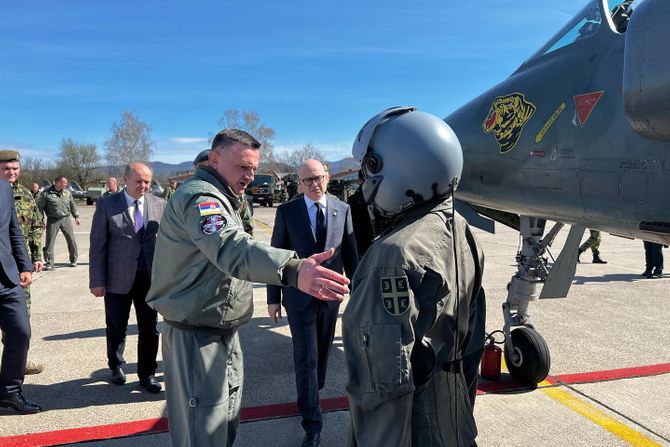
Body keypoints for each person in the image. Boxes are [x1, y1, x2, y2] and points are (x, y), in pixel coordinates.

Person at [146, 129, 350, 447]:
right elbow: (232, 247)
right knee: (204, 434)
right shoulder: (200, 198)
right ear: (214, 159)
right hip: (197, 337)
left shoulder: (228, 198)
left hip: (220, 330)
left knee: (223, 426)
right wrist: (293, 269)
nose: (250, 177)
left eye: (254, 169)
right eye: (243, 167)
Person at [343, 107, 486, 446]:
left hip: (413, 427)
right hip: (455, 420)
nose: (364, 184)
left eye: (369, 169)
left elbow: (381, 384)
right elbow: (472, 345)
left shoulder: (392, 254)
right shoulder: (460, 231)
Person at [267, 159, 358, 447]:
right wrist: (273, 298)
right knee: (305, 358)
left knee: (322, 354)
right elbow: (276, 257)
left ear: (327, 177)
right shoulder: (287, 212)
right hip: (299, 298)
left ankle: (312, 391)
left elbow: (351, 255)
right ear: (299, 183)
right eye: (307, 180)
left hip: (331, 299)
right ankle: (312, 423)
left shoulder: (343, 210)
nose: (313, 184)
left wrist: (359, 291)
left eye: (317, 178)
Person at [89, 162, 166, 393]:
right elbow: (98, 245)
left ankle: (147, 374)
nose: (143, 186)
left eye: (147, 182)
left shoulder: (159, 204)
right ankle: (116, 365)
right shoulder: (107, 205)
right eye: (138, 181)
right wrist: (97, 280)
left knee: (149, 328)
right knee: (116, 327)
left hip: (149, 278)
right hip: (116, 279)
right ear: (125, 180)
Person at [0, 150, 45, 375]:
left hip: (19, 264)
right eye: (6, 168)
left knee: (20, 318)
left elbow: (36, 225)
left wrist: (35, 256)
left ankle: (16, 361)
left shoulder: (26, 194)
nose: (11, 172)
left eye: (15, 169)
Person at [0, 179, 41, 414]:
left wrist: (24, 265)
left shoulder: (4, 189)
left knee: (21, 332)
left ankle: (10, 392)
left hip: (7, 278)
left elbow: (13, 230)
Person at [193, 149, 254, 236]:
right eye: (204, 169)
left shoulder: (234, 192)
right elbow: (215, 234)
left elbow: (246, 221)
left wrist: (248, 244)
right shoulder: (202, 195)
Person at [37, 176, 80, 270]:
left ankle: (73, 259)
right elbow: (39, 207)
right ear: (58, 183)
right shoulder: (46, 193)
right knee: (50, 242)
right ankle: (49, 262)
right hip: (52, 220)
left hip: (65, 218)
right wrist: (40, 220)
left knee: (71, 239)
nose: (66, 185)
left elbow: (72, 205)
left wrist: (76, 216)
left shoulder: (67, 193)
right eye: (64, 183)